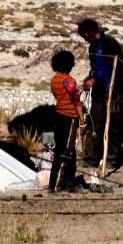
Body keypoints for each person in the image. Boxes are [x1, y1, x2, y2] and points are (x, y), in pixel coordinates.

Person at [77, 18, 123, 172]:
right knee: (94, 121)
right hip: (99, 91)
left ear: (90, 32)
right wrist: (89, 78)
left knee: (113, 125)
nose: (83, 38)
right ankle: (90, 158)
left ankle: (112, 159)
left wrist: (94, 79)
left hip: (115, 90)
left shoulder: (109, 43)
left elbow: (109, 68)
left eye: (84, 34)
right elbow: (95, 68)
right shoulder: (92, 47)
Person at [48, 50, 85, 191]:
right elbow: (76, 101)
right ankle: (58, 185)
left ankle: (66, 182)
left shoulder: (54, 80)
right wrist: (83, 121)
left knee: (62, 150)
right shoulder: (69, 80)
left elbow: (63, 98)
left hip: (58, 115)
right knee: (67, 152)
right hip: (70, 118)